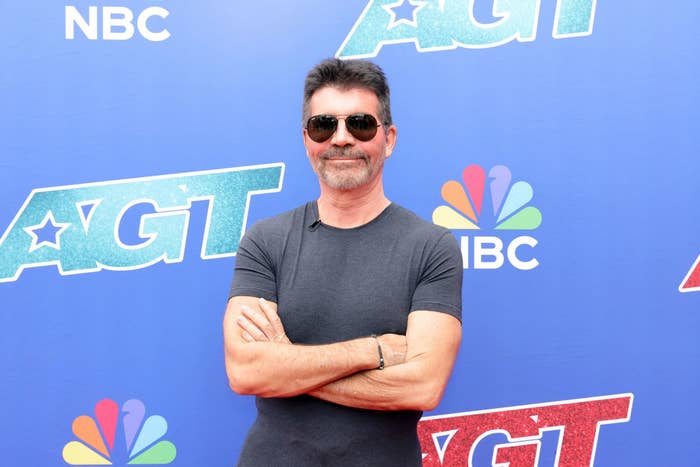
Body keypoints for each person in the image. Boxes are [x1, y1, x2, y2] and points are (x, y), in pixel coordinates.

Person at [223, 58, 463, 466]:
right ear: (306, 140)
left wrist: (288, 366)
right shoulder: (265, 241)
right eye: (323, 125)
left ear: (388, 139)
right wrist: (373, 351)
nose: (341, 139)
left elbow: (421, 387)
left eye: (360, 124)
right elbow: (247, 373)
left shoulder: (432, 246)